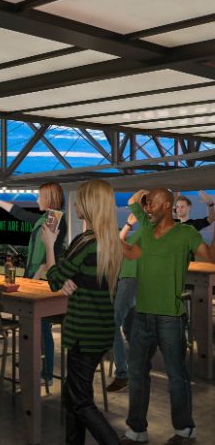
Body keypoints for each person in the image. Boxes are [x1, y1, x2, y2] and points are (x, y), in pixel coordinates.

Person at [120, 189, 212, 445]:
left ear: (169, 205)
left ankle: (185, 430)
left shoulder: (186, 234)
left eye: (154, 205)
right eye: (147, 205)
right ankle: (136, 430)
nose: (149, 209)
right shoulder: (147, 232)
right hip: (142, 316)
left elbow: (211, 258)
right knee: (137, 372)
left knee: (177, 375)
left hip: (171, 317)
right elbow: (131, 254)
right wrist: (115, 237)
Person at [39, 179, 123, 445]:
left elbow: (53, 278)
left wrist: (50, 245)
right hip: (100, 330)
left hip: (82, 331)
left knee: (81, 402)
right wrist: (65, 278)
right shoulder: (111, 241)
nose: (74, 203)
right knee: (73, 398)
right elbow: (72, 278)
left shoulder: (85, 241)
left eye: (79, 200)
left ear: (89, 205)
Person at [0, 182, 66, 386]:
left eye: (39, 196)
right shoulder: (44, 219)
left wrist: (35, 276)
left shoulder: (54, 219)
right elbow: (18, 212)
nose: (37, 199)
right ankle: (35, 366)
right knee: (36, 325)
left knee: (43, 326)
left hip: (43, 280)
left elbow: (50, 254)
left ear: (49, 197)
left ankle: (46, 374)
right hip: (35, 277)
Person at [109, 212, 140, 392]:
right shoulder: (147, 229)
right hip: (132, 280)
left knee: (113, 324)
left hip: (131, 280)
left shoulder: (145, 231)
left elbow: (119, 244)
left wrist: (128, 224)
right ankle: (138, 369)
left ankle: (122, 375)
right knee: (129, 328)